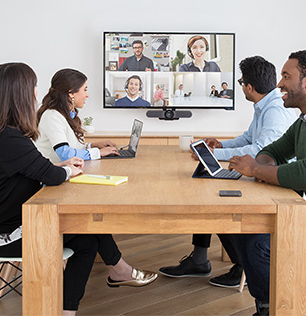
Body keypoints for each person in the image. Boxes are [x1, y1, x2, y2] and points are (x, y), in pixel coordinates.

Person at [0, 64, 157, 315]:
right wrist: (66, 169)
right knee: (87, 236)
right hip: (11, 233)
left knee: (88, 231)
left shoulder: (9, 134)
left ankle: (106, 280)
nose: (35, 92)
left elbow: (37, 167)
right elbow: (50, 175)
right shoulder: (12, 138)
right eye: (32, 87)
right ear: (19, 94)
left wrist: (61, 165)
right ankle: (101, 283)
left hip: (18, 219)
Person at [159, 56, 296, 289]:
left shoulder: (275, 111)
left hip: (273, 186)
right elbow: (248, 138)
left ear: (248, 87)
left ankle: (241, 266)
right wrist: (221, 145)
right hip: (260, 178)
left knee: (220, 206)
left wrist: (214, 156)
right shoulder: (264, 105)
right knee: (207, 191)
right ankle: (200, 260)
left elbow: (260, 150)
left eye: (241, 81)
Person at [228, 50, 306, 316]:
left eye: (287, 76)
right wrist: (260, 168)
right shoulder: (302, 122)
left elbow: (304, 172)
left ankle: (280, 307)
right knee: (244, 231)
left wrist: (257, 169)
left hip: (299, 210)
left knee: (258, 244)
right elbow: (272, 150)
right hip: (295, 204)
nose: (279, 84)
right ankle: (266, 306)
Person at [36, 69, 120, 162]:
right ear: (71, 93)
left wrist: (94, 145)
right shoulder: (52, 116)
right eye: (85, 90)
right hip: (56, 173)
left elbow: (74, 148)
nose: (87, 95)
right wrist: (98, 153)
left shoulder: (66, 114)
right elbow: (65, 154)